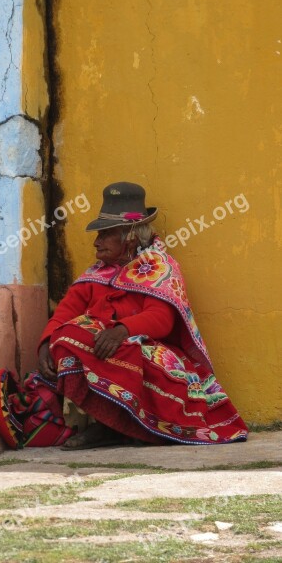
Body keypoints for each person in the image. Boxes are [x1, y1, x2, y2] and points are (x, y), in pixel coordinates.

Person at [37, 182, 248, 449]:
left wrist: (122, 331)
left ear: (130, 236)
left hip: (151, 354)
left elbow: (161, 319)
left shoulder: (160, 268)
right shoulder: (95, 275)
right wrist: (46, 341)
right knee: (69, 335)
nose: (96, 241)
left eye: (106, 233)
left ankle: (140, 426)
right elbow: (66, 312)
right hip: (109, 350)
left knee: (122, 348)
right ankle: (107, 425)